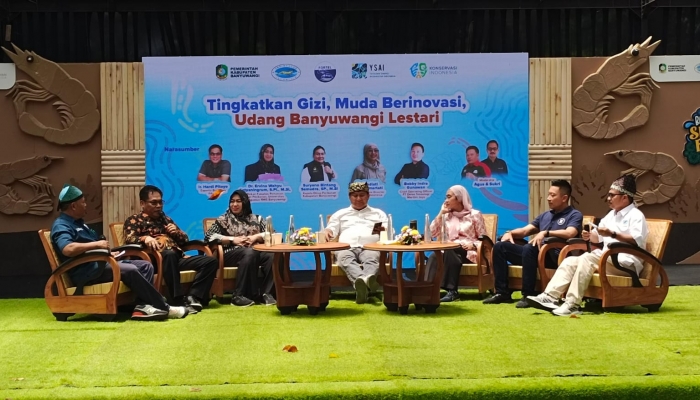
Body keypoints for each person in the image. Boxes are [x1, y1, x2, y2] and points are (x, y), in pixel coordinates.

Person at [50, 185, 187, 320]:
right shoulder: (62, 225)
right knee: (131, 269)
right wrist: (97, 244)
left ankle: (142, 306)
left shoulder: (79, 223)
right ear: (74, 206)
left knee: (145, 265)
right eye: (83, 202)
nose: (86, 205)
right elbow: (67, 249)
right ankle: (163, 306)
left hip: (100, 263)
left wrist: (107, 253)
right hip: (87, 271)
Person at [527, 175, 648, 316]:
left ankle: (572, 303)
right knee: (570, 261)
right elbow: (598, 236)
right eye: (608, 195)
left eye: (611, 195)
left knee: (587, 258)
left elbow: (636, 240)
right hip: (607, 259)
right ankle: (550, 296)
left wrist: (612, 234)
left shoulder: (636, 215)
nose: (608, 198)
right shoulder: (611, 215)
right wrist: (590, 236)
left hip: (626, 263)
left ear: (625, 198)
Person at [483, 180, 582, 308]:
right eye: (548, 194)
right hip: (534, 254)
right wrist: (510, 233)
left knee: (531, 247)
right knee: (500, 246)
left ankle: (528, 294)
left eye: (553, 195)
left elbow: (570, 233)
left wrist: (546, 233)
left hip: (555, 256)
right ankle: (502, 293)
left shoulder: (574, 214)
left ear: (564, 198)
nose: (548, 198)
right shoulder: (545, 215)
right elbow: (525, 230)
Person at [123, 185, 218, 313]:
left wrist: (176, 232)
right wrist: (144, 238)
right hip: (154, 261)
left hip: (176, 258)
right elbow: (129, 239)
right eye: (154, 202)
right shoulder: (134, 220)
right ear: (142, 203)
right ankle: (177, 299)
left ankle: (194, 297)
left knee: (211, 261)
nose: (158, 206)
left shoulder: (165, 219)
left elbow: (185, 240)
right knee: (169, 254)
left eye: (160, 202)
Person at [204, 190, 275, 307]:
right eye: (232, 202)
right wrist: (232, 239)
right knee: (250, 252)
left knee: (271, 255)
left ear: (245, 203)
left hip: (254, 252)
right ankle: (238, 295)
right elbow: (209, 237)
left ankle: (266, 294)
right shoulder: (223, 220)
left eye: (238, 201)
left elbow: (272, 234)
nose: (234, 204)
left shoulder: (257, 219)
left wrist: (255, 237)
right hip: (230, 253)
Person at [325, 182, 388, 303]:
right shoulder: (340, 214)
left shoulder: (378, 213)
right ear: (349, 197)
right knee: (344, 258)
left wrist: (383, 230)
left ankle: (362, 284)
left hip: (370, 247)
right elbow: (331, 228)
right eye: (355, 195)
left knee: (372, 259)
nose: (358, 198)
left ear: (368, 196)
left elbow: (388, 231)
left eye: (362, 195)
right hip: (346, 247)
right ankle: (364, 281)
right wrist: (328, 231)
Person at [426, 185, 487, 302]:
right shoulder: (446, 215)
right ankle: (428, 292)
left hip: (468, 251)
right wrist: (440, 214)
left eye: (449, 197)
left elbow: (484, 238)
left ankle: (452, 291)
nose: (446, 200)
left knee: (450, 249)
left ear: (459, 198)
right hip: (450, 251)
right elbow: (431, 234)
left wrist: (473, 245)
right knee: (435, 256)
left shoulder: (474, 214)